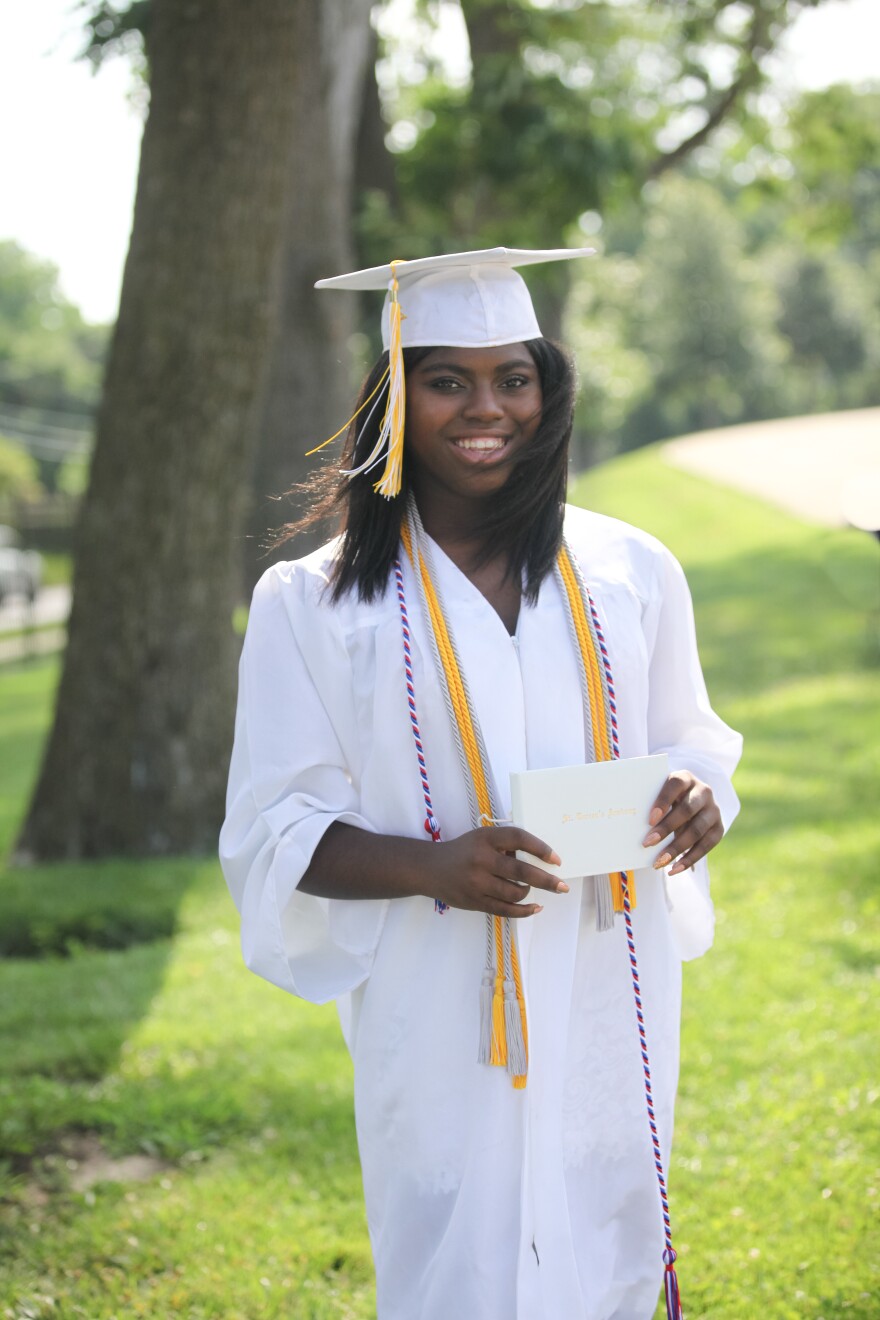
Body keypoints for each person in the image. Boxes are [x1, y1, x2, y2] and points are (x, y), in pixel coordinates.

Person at [220, 248, 742, 1320]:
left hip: (610, 968)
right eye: (445, 378)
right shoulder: (308, 602)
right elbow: (276, 826)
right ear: (393, 400)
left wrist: (698, 798)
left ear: (547, 389)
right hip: (436, 988)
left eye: (512, 376)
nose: (484, 407)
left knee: (605, 1224)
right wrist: (432, 868)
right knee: (456, 1252)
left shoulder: (629, 570)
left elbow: (689, 742)